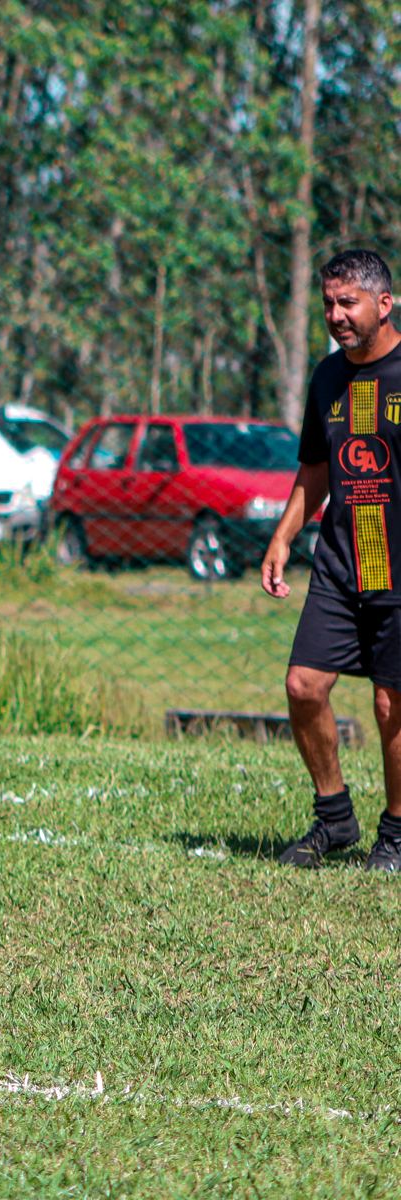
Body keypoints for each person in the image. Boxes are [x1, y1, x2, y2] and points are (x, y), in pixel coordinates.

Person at [263, 249, 401, 871]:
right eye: (328, 304)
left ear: (384, 304)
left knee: (390, 705)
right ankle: (335, 816)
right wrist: (283, 535)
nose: (336, 315)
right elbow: (316, 467)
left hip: (396, 568)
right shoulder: (327, 378)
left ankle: (396, 834)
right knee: (303, 685)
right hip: (341, 562)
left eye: (349, 303)